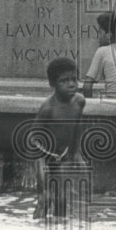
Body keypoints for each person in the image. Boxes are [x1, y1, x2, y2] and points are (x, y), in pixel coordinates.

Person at [31, 57, 87, 219]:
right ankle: (36, 229)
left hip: (63, 157)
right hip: (43, 156)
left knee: (62, 199)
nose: (71, 84)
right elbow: (33, 138)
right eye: (64, 81)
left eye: (74, 79)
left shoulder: (79, 102)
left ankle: (59, 226)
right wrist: (44, 156)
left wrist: (76, 153)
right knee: (45, 199)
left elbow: (78, 125)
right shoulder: (48, 108)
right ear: (53, 84)